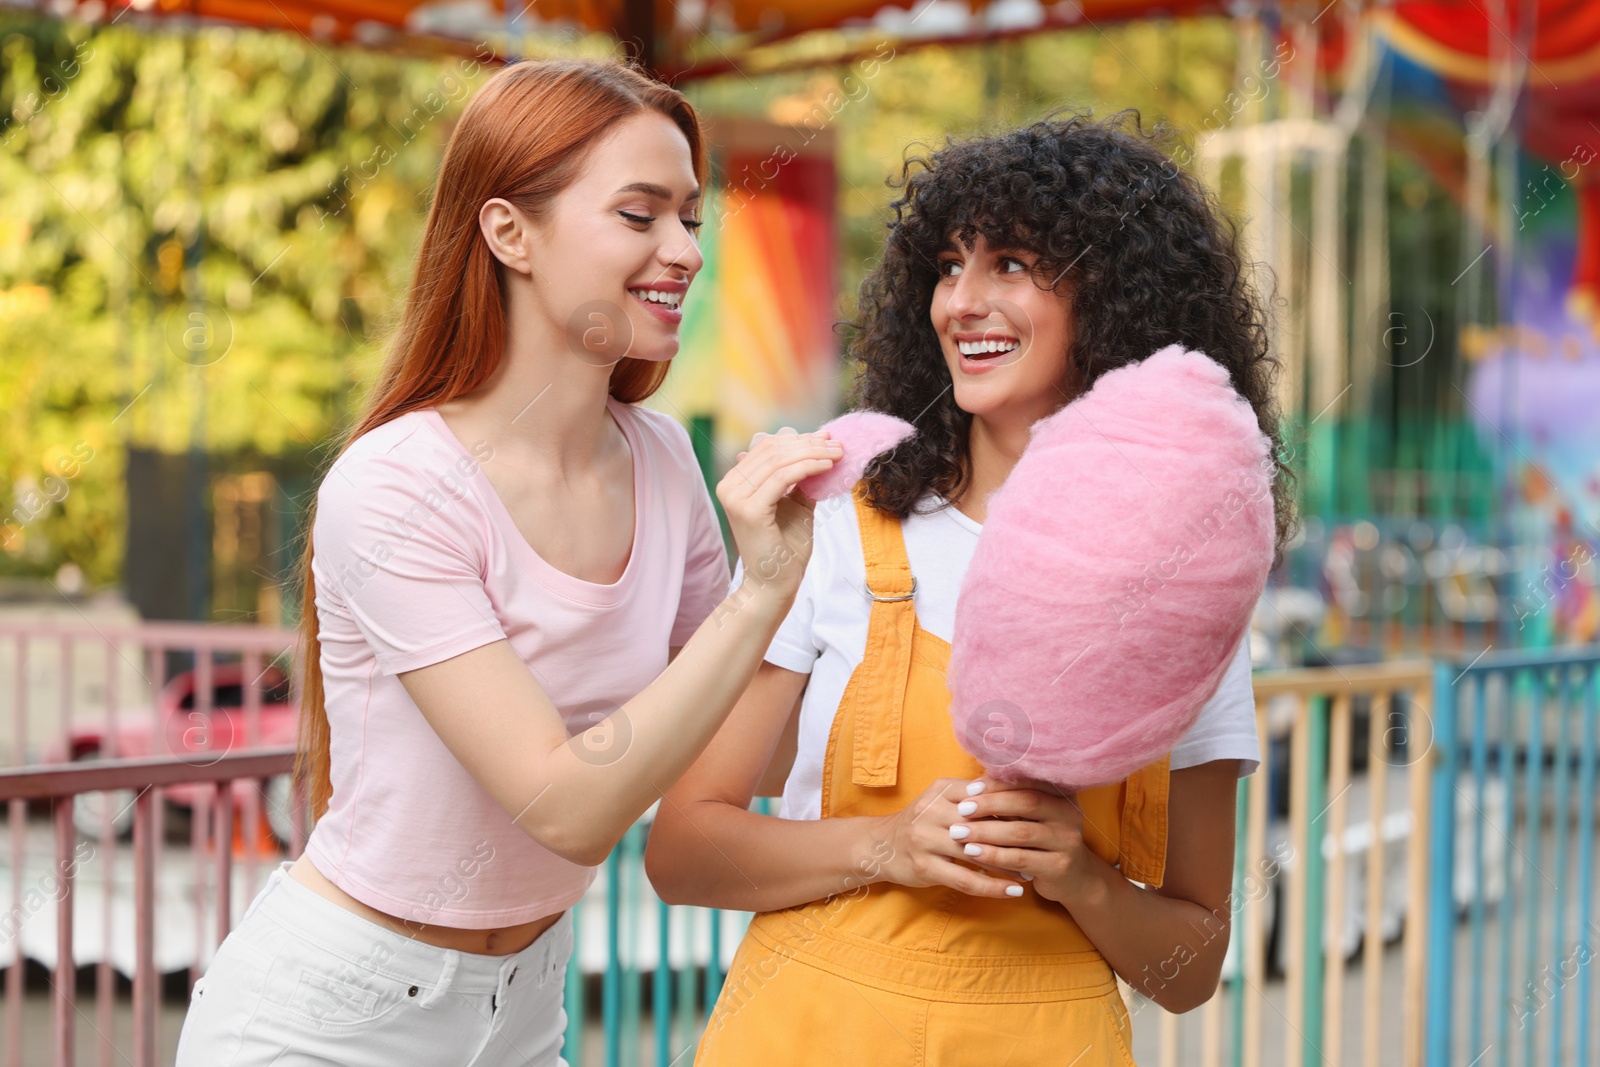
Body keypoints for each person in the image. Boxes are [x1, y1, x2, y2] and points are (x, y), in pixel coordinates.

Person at [175, 58, 842, 1067]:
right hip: (329, 1017)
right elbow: (565, 806)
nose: (684, 252)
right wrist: (759, 596)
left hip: (523, 1010)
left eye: (690, 220)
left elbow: (759, 748)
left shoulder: (660, 459)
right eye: (639, 214)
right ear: (508, 232)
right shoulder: (397, 484)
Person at [645, 112, 1295, 1066]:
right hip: (803, 1033)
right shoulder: (835, 520)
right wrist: (883, 845)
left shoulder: (1186, 574)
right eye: (949, 264)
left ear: (1116, 298)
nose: (962, 301)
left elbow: (1192, 966)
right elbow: (685, 851)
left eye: (1014, 265)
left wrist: (1083, 877)